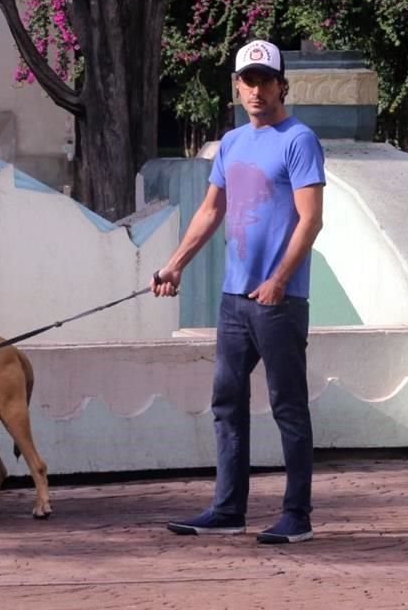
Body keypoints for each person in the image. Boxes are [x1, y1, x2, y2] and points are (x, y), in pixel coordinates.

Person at [151, 39, 325, 544]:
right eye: (247, 80)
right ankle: (228, 510)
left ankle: (298, 516)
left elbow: (311, 221)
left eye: (264, 80)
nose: (255, 89)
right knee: (226, 403)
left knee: (288, 406)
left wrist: (278, 280)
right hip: (233, 300)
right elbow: (210, 211)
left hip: (279, 301)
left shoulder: (299, 140)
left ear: (281, 84)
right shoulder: (230, 144)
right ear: (237, 86)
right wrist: (175, 265)